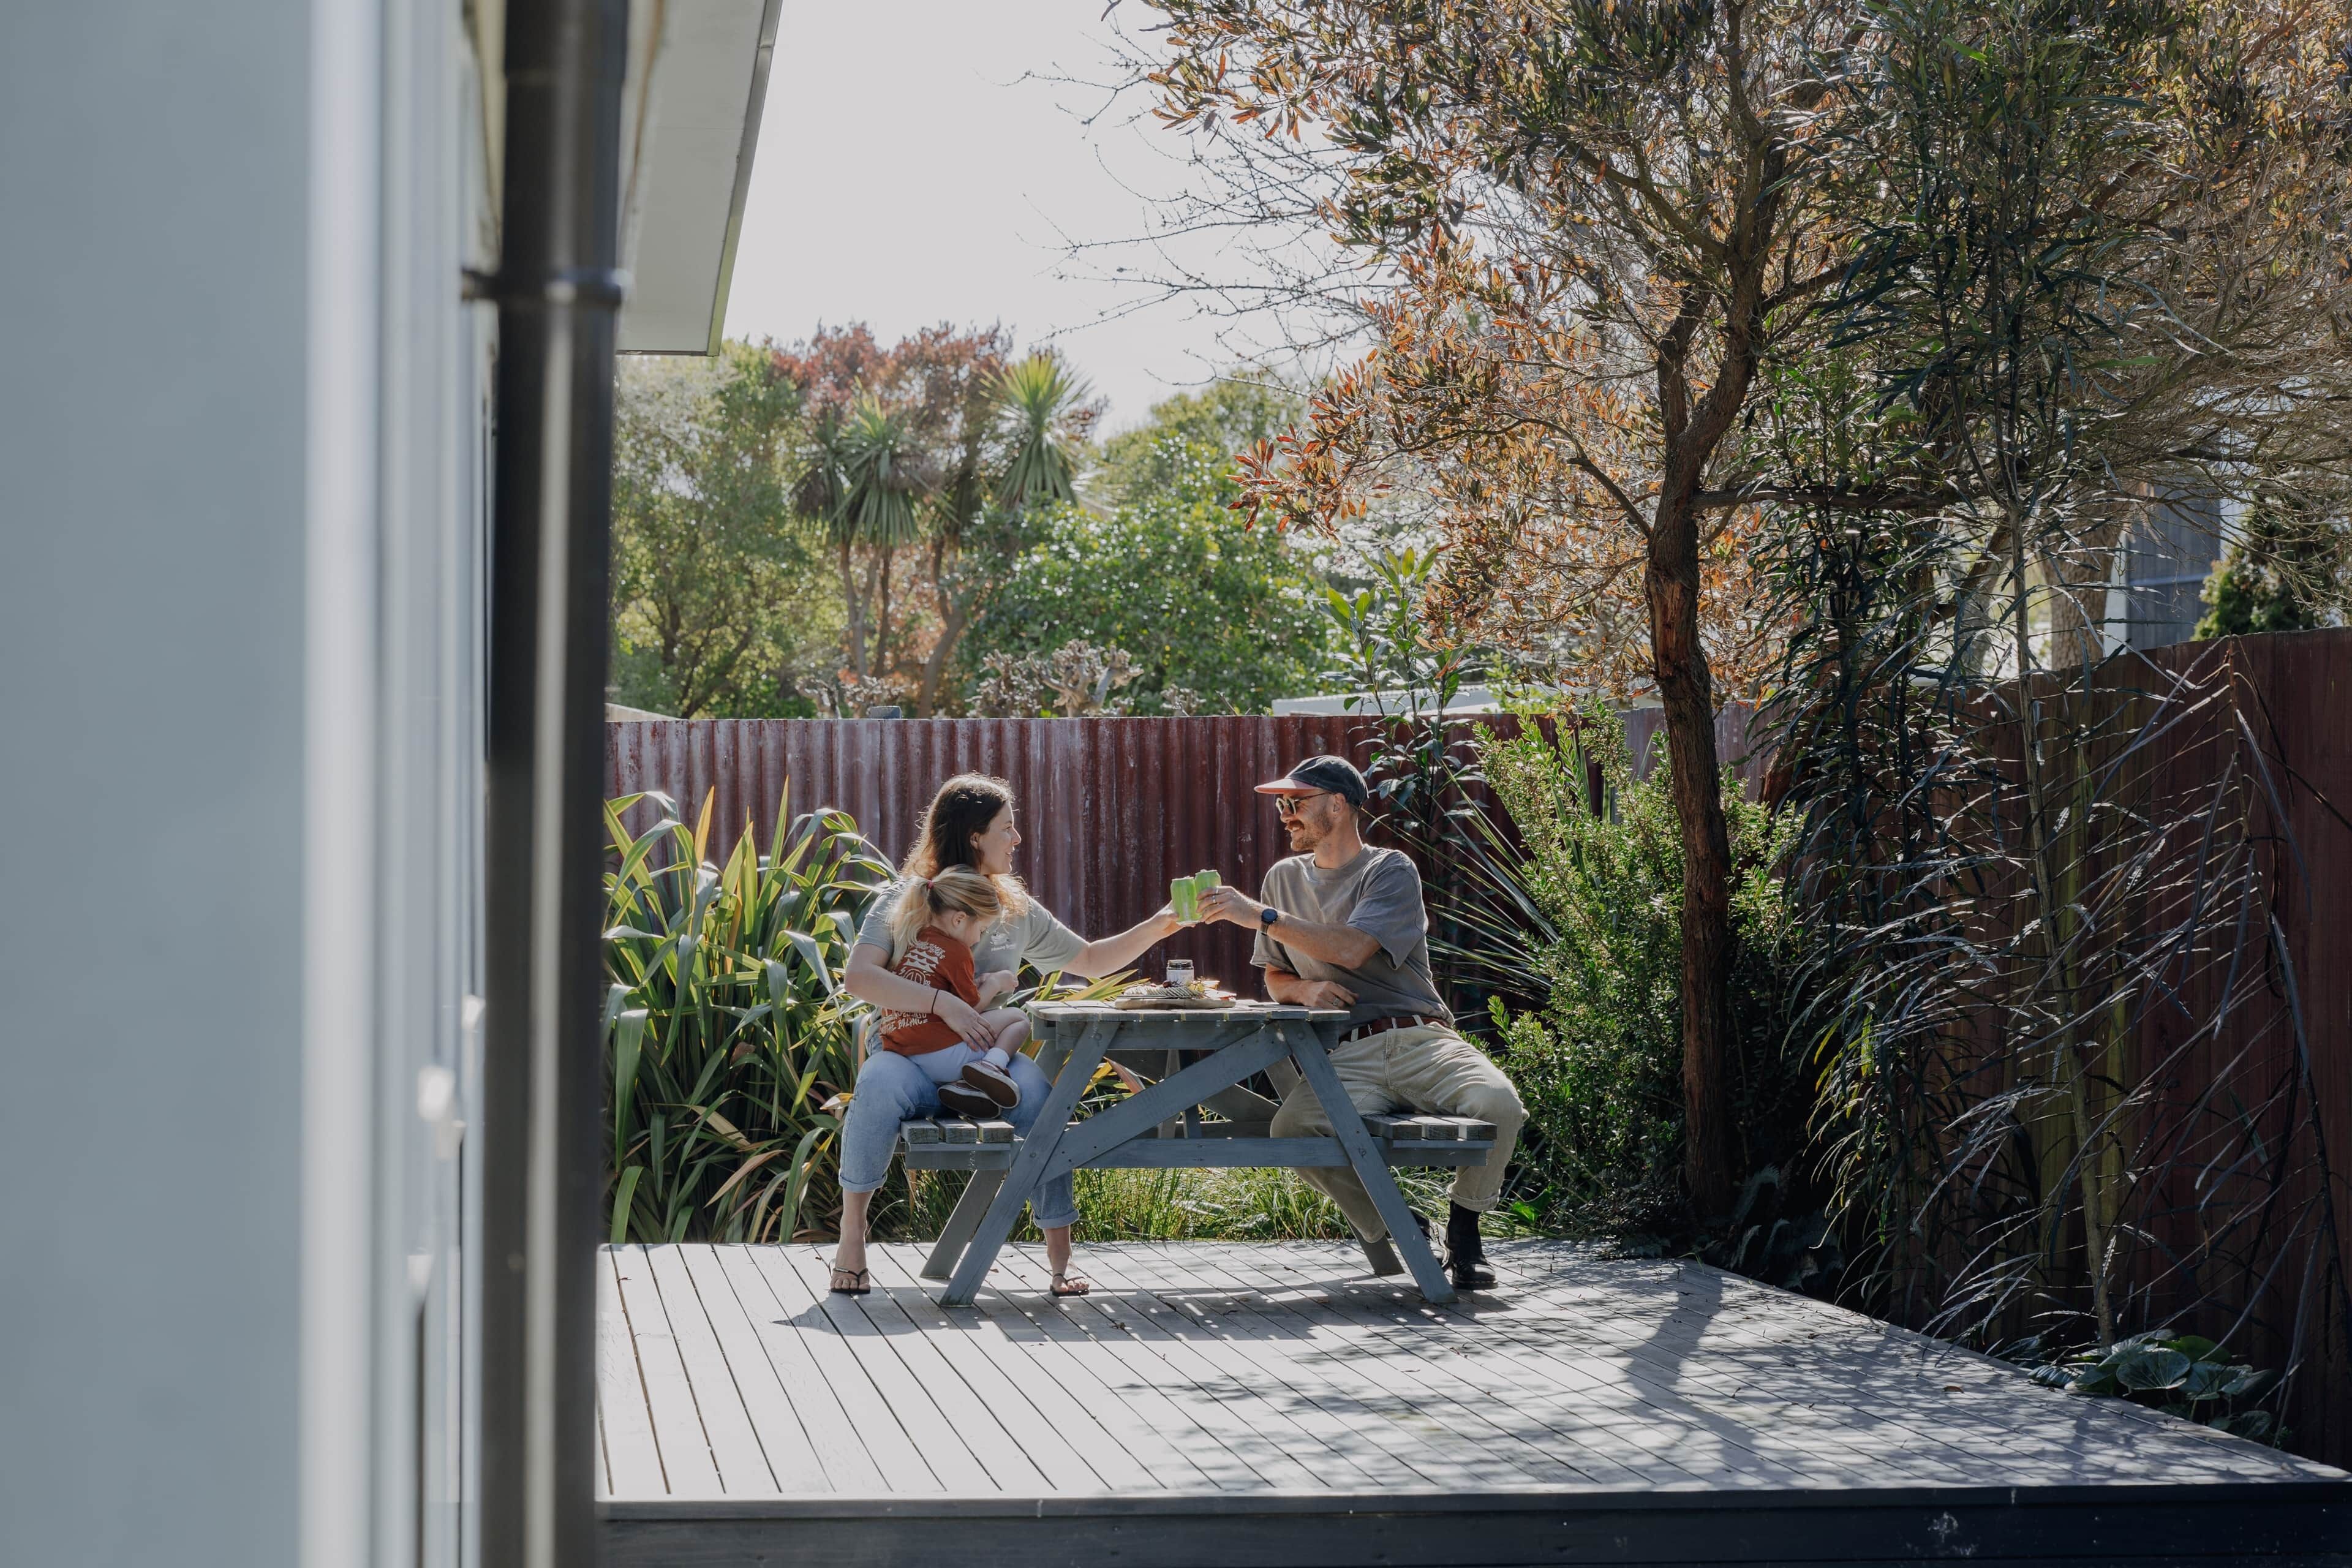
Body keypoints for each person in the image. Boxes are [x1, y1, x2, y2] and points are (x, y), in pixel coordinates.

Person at [830, 772, 1182, 1299]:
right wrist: (943, 1002)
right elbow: (859, 979)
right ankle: (851, 1240)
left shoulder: (1012, 908)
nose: (1017, 839)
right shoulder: (907, 899)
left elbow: (1088, 960)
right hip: (911, 1062)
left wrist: (1161, 924)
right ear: (975, 836)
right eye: (1007, 828)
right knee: (876, 1083)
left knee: (1041, 1095)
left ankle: (1060, 1260)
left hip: (984, 1064)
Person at [1199, 754, 1526, 1291]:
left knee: (1501, 1106)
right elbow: (1276, 977)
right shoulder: (1283, 879)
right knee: (1292, 1132)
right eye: (1281, 804)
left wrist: (1255, 914)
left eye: (1295, 803)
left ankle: (1465, 1229)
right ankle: (1404, 1226)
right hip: (1347, 1052)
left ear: (1339, 805)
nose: (1285, 815)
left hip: (1419, 1037)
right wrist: (1304, 988)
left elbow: (1352, 949)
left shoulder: (1389, 870)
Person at [872, 865, 1035, 1117]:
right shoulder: (957, 951)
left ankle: (965, 1086)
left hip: (905, 1053)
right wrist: (995, 983)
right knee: (1019, 1019)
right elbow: (969, 1012)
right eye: (981, 929)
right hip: (942, 1056)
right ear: (959, 919)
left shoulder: (913, 940)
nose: (978, 939)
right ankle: (991, 1067)